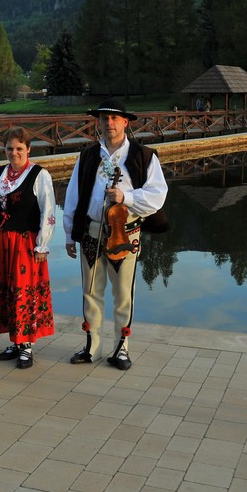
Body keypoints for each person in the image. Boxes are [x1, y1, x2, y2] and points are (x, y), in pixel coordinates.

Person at [64, 99, 168, 371]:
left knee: (123, 294)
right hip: (91, 232)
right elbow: (73, 196)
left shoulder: (143, 156)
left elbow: (158, 195)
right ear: (98, 123)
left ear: (125, 122)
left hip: (124, 233)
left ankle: (121, 348)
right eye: (103, 118)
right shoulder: (88, 156)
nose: (108, 123)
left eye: (114, 118)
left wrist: (127, 197)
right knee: (90, 292)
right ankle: (92, 346)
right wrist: (68, 233)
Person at [0, 127, 55, 369]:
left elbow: (48, 212)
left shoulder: (39, 174)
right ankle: (15, 341)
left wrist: (42, 245)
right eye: (9, 148)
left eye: (19, 149)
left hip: (26, 242)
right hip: (2, 241)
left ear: (28, 149)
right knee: (7, 290)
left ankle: (26, 345)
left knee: (24, 291)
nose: (14, 153)